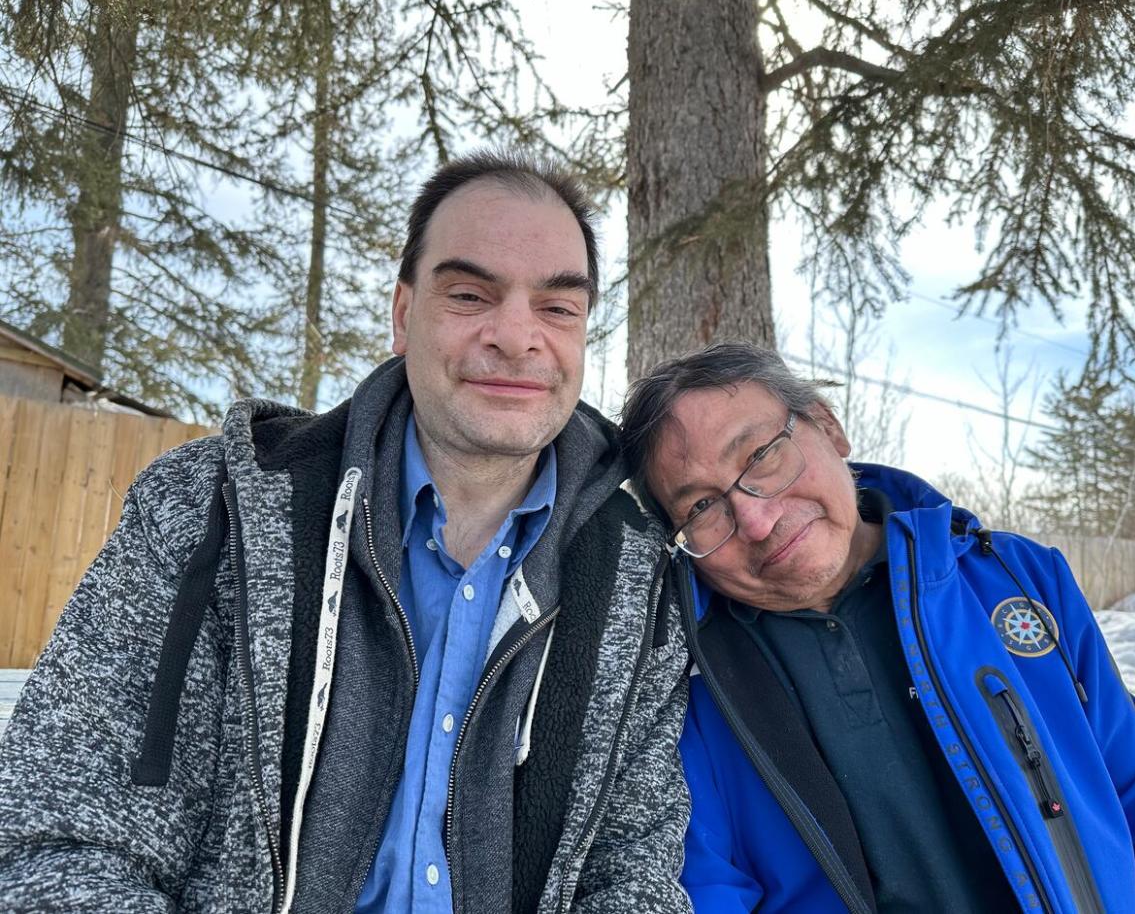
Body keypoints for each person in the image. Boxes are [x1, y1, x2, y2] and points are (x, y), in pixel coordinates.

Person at [0, 151, 691, 914]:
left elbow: (633, 880)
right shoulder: (212, 511)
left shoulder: (638, 581)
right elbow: (54, 843)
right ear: (403, 315)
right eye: (469, 294)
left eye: (557, 308)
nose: (517, 336)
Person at [619, 341, 1135, 914]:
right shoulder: (682, 684)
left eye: (760, 454)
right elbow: (699, 890)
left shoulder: (1017, 581)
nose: (754, 519)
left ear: (827, 426)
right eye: (701, 506)